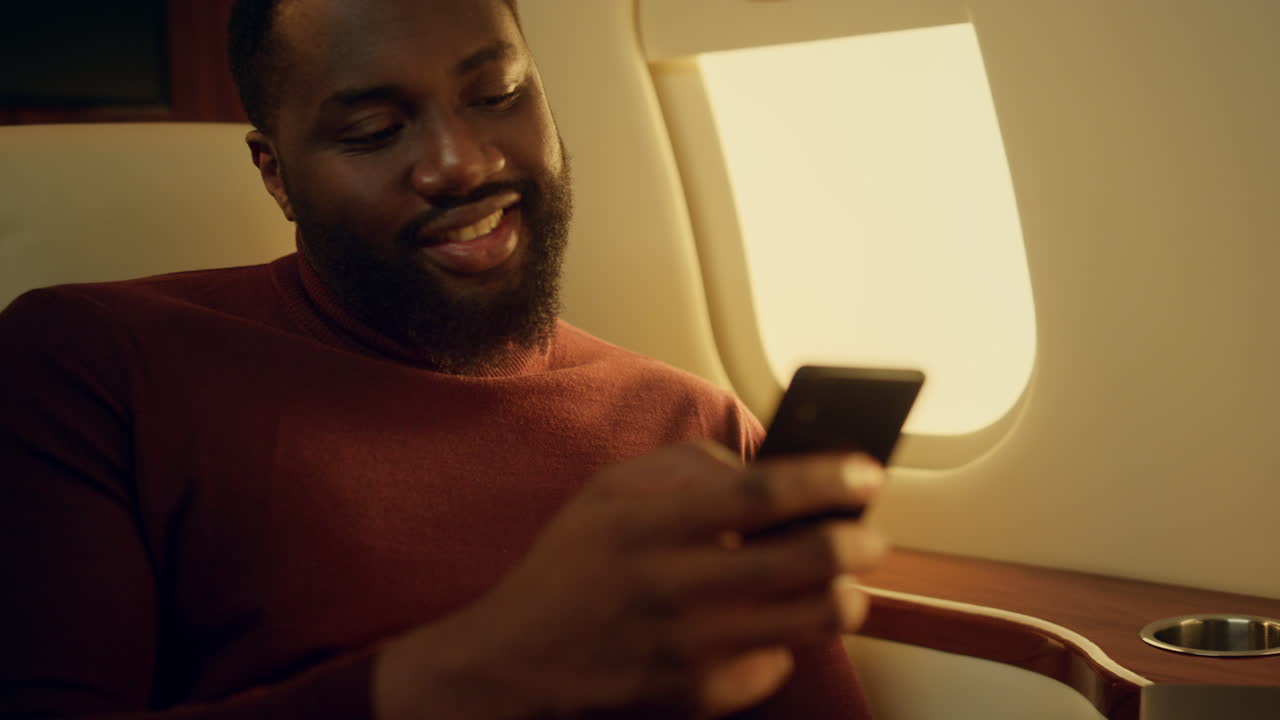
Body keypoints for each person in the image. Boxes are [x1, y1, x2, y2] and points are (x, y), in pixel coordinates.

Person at [0, 0, 890, 717]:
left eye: (498, 91)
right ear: (276, 175)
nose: (461, 163)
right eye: (376, 129)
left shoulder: (695, 426)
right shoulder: (90, 363)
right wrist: (485, 674)